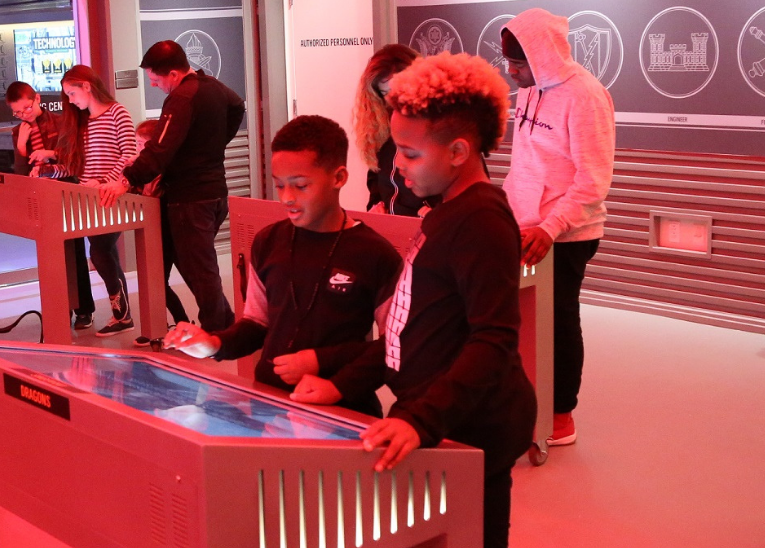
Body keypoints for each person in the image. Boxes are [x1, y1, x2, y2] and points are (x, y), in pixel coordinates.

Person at [289, 52, 536, 548]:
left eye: (410, 154)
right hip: (442, 418)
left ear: (460, 152)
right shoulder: (445, 213)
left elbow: (494, 339)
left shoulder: (482, 221)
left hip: (474, 429)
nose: (397, 168)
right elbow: (412, 329)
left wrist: (419, 419)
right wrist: (341, 384)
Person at [164, 115, 402, 416]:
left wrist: (323, 366)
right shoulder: (268, 241)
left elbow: (395, 348)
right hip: (270, 406)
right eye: (279, 186)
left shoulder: (375, 254)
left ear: (338, 178)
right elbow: (256, 324)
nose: (287, 198)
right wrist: (213, 343)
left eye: (301, 186)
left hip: (345, 409)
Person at [502, 8, 615, 446]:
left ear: (543, 56)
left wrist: (550, 228)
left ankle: (561, 413)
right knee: (522, 319)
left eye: (519, 64)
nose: (512, 74)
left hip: (567, 233)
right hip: (524, 225)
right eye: (509, 63)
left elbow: (593, 181)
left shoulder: (585, 96)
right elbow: (528, 165)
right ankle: (528, 400)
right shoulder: (531, 91)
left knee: (559, 320)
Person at [112, 40, 246, 333]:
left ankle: (217, 333)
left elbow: (159, 149)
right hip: (213, 192)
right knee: (196, 265)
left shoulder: (181, 98)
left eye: (156, 79)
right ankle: (222, 324)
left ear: (173, 74)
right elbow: (238, 107)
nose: (156, 85)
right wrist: (212, 145)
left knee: (201, 270)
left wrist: (127, 179)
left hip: (190, 198)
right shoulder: (211, 85)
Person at [35, 65, 138, 337]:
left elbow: (129, 156)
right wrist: (49, 171)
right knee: (104, 252)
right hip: (88, 198)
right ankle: (122, 314)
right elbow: (75, 167)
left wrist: (107, 182)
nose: (70, 100)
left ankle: (122, 314)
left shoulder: (118, 113)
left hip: (111, 196)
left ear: (87, 86)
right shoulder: (82, 122)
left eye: (72, 92)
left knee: (100, 251)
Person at [5, 81, 96, 330]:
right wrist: (22, 146)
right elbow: (20, 173)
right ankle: (60, 307)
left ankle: (84, 309)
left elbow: (73, 158)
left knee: (75, 251)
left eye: (25, 108)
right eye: (17, 112)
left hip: (65, 193)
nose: (23, 115)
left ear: (36, 99)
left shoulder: (60, 121)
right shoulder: (18, 131)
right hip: (40, 198)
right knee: (50, 257)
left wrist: (49, 152)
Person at [128, 119, 190, 347]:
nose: (137, 149)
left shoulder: (164, 171)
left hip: (167, 233)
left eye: (141, 144)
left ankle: (182, 324)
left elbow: (153, 197)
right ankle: (158, 326)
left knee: (159, 282)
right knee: (154, 281)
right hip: (152, 232)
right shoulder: (143, 170)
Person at [353, 44, 434, 217]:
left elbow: (465, 186)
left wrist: (441, 213)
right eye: (385, 93)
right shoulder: (384, 128)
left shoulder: (444, 126)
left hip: (432, 232)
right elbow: (375, 178)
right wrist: (375, 206)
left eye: (399, 90)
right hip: (393, 232)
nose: (393, 100)